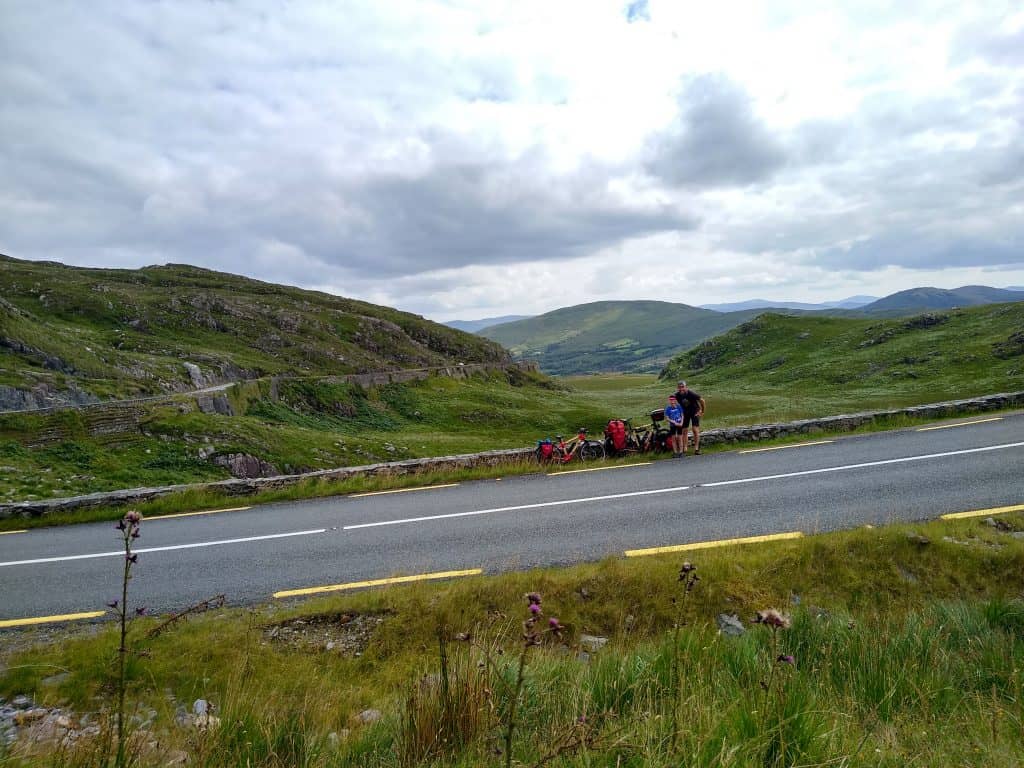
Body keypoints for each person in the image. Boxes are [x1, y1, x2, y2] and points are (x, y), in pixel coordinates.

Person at [672, 380, 705, 455]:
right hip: (685, 413)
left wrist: (702, 411)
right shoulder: (677, 395)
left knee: (695, 429)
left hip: (694, 412)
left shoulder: (691, 394)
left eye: (682, 387)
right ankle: (685, 449)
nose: (681, 389)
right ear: (677, 388)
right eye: (679, 387)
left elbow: (702, 400)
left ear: (686, 387)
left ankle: (697, 449)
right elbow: (673, 403)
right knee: (684, 430)